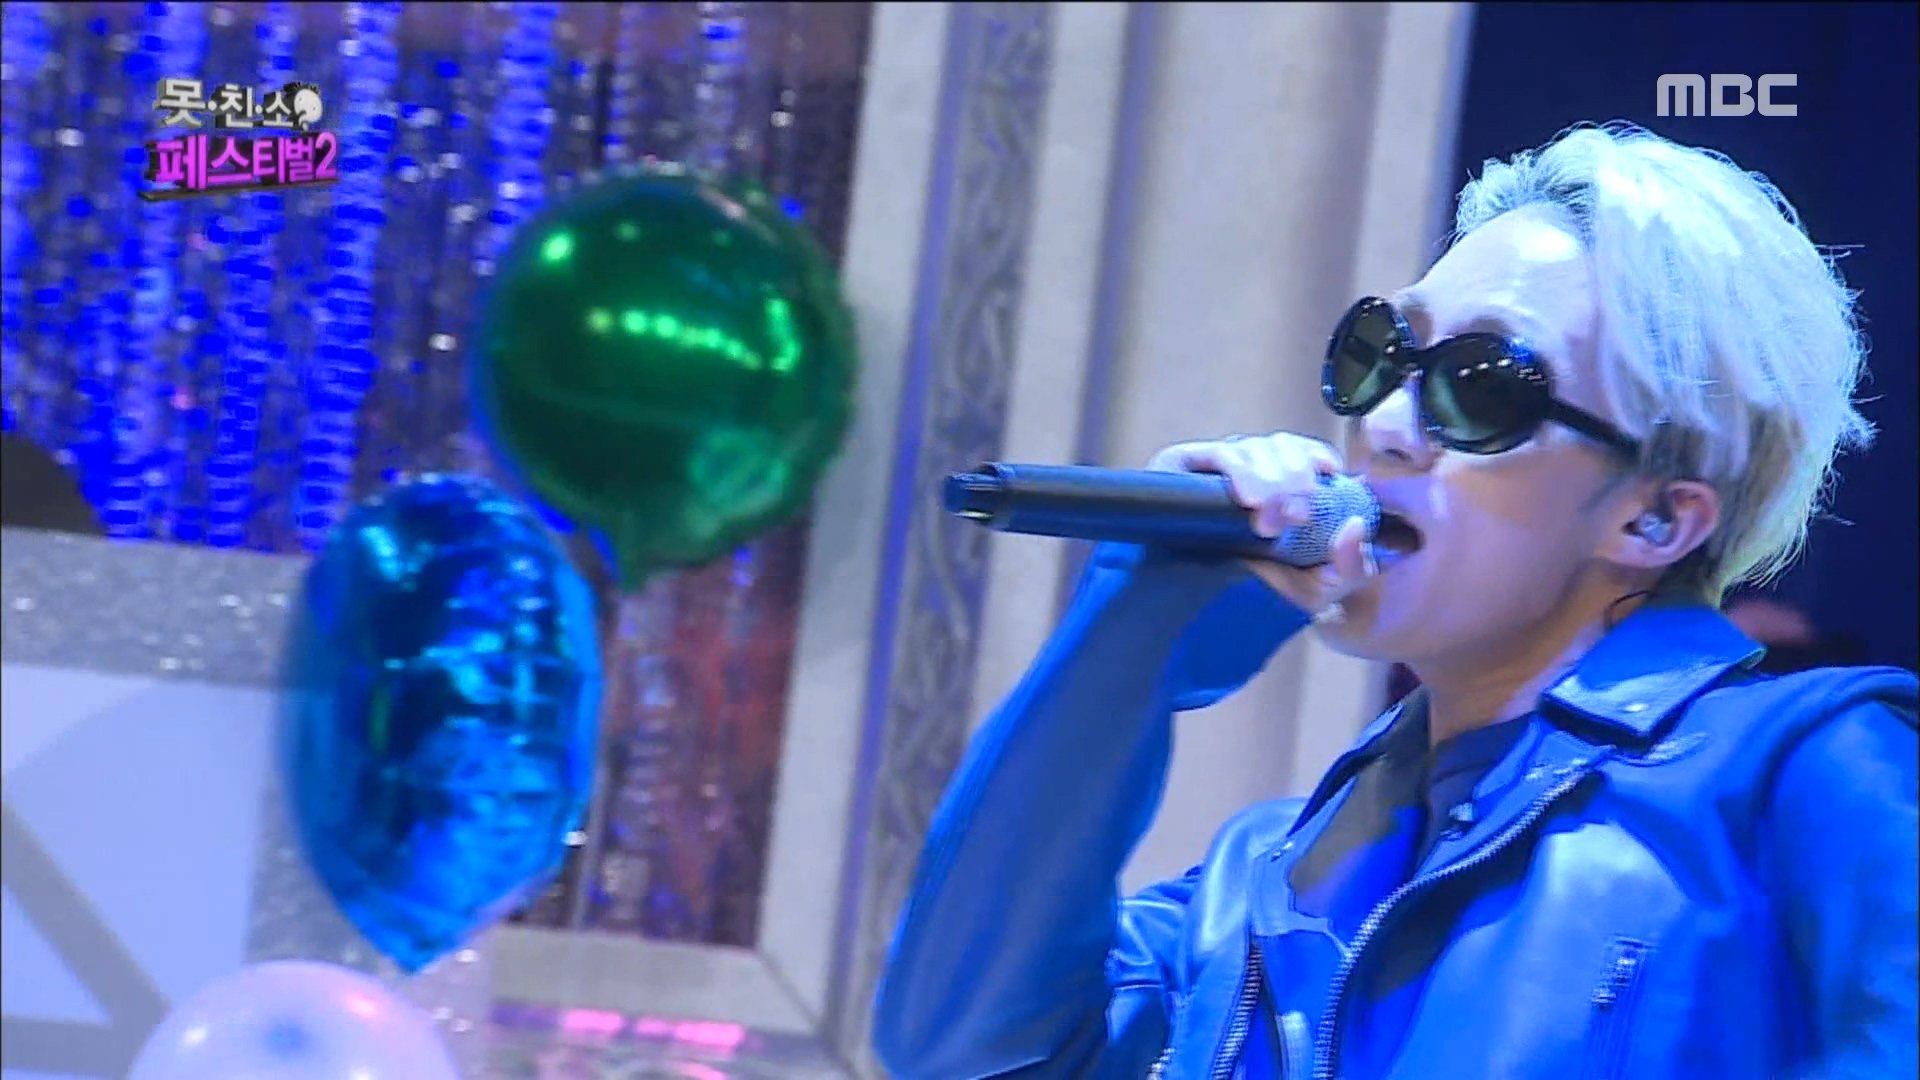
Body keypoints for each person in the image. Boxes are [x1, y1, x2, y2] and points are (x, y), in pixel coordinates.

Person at [871, 123, 1917, 1079]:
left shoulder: (1807, 773)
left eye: (1481, 384)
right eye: (1380, 356)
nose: (1383, 426)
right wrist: (1137, 633)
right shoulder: (1258, 884)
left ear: (1653, 519)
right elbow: (966, 1052)